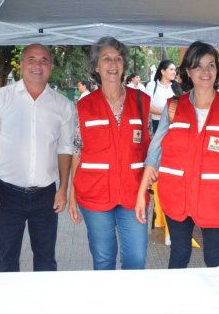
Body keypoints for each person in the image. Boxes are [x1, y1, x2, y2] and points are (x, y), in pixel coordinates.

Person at [135, 41, 219, 269]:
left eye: (211, 65)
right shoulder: (174, 107)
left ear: (218, 70)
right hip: (177, 194)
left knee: (214, 258)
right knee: (179, 254)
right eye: (198, 66)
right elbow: (154, 153)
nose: (205, 72)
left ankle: (216, 304)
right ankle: (177, 304)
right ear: (188, 71)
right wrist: (142, 193)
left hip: (216, 199)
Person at [0, 44, 75, 272]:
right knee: (7, 260)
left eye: (44, 60)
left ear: (51, 66)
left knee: (46, 261)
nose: (38, 65)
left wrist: (63, 189)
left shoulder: (63, 105)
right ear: (21, 64)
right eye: (31, 59)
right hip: (5, 194)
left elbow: (65, 149)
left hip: (45, 195)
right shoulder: (0, 99)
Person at [69, 36, 151, 270]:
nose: (113, 64)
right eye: (106, 59)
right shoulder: (83, 106)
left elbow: (150, 148)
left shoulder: (142, 101)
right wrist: (72, 193)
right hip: (94, 194)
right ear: (96, 66)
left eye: (118, 59)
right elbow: (77, 149)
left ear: (124, 65)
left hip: (133, 194)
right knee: (103, 259)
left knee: (136, 259)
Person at [145, 60, 180, 133]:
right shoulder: (152, 85)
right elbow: (146, 106)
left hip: (175, 125)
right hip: (158, 124)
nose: (174, 72)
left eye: (174, 70)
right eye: (171, 69)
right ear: (163, 71)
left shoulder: (176, 87)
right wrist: (167, 113)